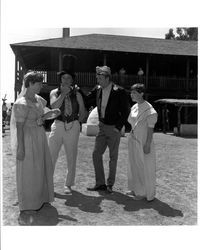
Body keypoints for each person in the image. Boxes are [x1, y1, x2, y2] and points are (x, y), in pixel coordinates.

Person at [10, 71, 60, 224]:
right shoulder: (21, 103)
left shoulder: (39, 100)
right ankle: (29, 203)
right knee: (29, 170)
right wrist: (20, 148)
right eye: (38, 83)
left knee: (41, 167)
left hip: (39, 137)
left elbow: (42, 116)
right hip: (27, 137)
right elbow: (19, 127)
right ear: (30, 84)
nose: (41, 86)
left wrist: (50, 114)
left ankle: (42, 198)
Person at [86, 66, 130, 193]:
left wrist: (118, 127)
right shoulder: (98, 89)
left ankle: (110, 184)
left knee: (113, 157)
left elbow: (126, 110)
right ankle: (100, 183)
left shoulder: (119, 91)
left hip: (113, 128)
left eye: (100, 78)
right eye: (97, 78)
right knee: (96, 154)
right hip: (102, 126)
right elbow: (87, 99)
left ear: (107, 78)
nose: (97, 81)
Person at [48, 66, 87, 194]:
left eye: (68, 78)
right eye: (63, 78)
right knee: (51, 155)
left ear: (72, 81)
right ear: (60, 79)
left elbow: (82, 111)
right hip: (58, 124)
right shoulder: (54, 92)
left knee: (71, 156)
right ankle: (48, 183)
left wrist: (76, 123)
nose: (65, 80)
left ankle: (68, 184)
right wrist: (63, 94)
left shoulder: (77, 94)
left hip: (72, 126)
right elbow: (54, 106)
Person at [126, 83, 157, 201]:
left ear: (141, 93)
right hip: (133, 139)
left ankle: (144, 192)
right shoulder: (134, 107)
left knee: (144, 166)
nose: (131, 95)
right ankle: (135, 188)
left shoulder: (150, 109)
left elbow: (150, 129)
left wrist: (147, 144)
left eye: (134, 93)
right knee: (133, 164)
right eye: (131, 92)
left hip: (144, 140)